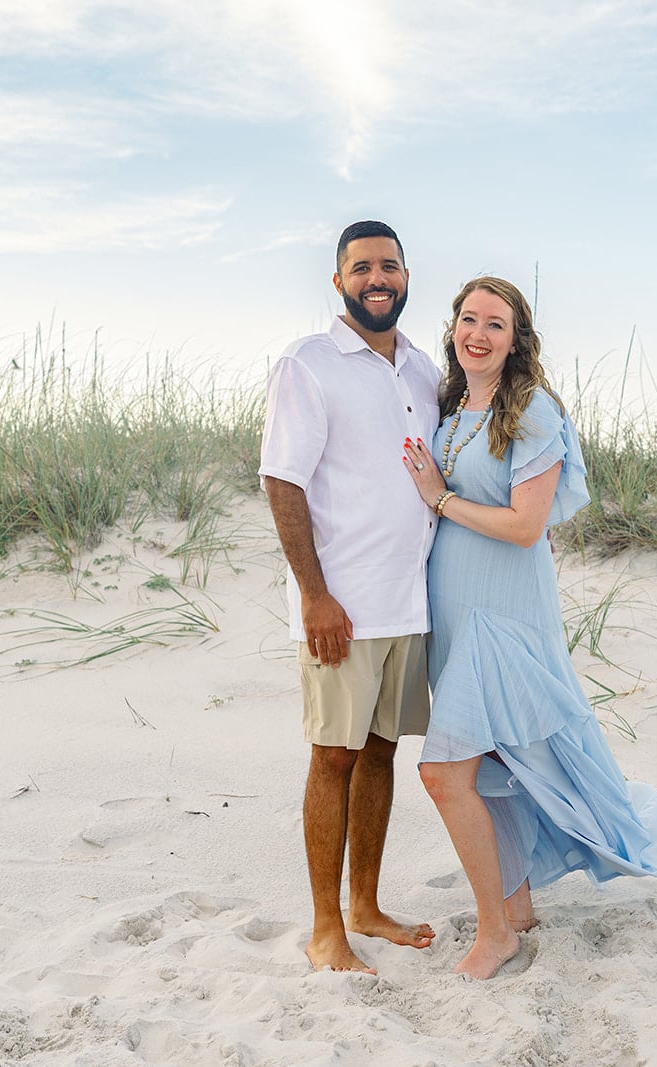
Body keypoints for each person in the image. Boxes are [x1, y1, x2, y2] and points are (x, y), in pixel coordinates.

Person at [400, 276, 657, 980]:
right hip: (456, 610)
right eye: (469, 318)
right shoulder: (453, 404)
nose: (479, 334)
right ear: (453, 327)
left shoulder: (533, 412)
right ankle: (516, 906)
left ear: (517, 337)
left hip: (504, 613)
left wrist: (439, 498)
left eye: (496, 323)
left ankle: (496, 934)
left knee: (442, 773)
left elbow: (526, 527)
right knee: (492, 766)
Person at [260, 220, 442, 974]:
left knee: (379, 751)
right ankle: (325, 927)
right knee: (332, 755)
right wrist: (314, 594)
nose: (378, 277)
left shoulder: (424, 368)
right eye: (362, 267)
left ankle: (366, 903)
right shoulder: (309, 363)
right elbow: (282, 478)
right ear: (338, 282)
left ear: (406, 276)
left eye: (390, 265)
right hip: (345, 605)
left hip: (410, 603)